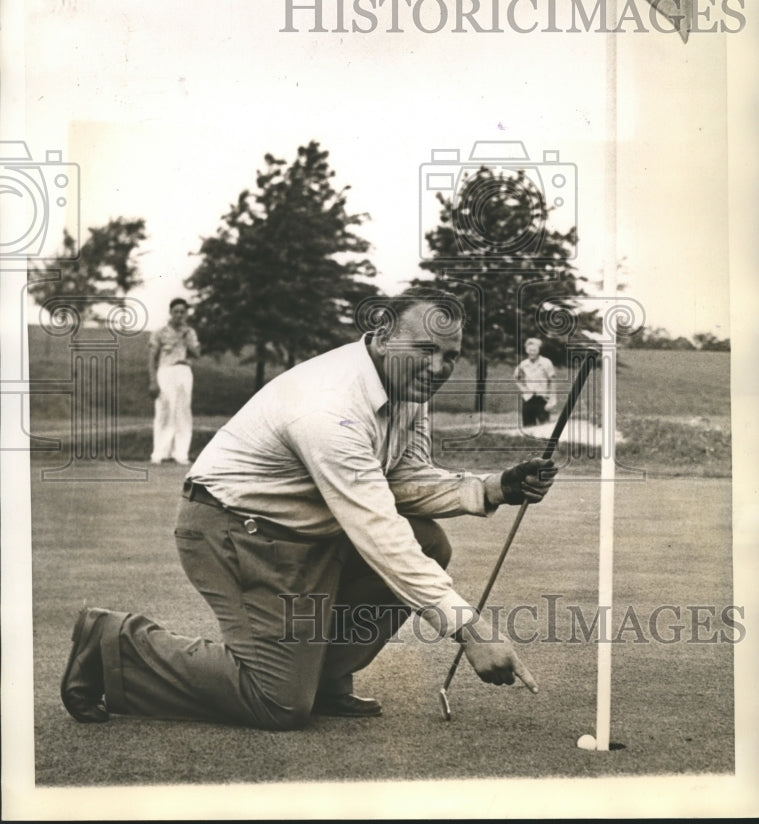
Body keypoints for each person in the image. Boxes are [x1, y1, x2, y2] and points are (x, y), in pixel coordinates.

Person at [62, 288, 557, 731]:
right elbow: (379, 530)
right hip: (234, 531)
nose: (439, 367)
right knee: (276, 704)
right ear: (382, 336)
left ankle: (322, 677)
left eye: (450, 355)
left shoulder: (406, 389)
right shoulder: (330, 408)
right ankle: (113, 642)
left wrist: (493, 488)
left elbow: (401, 479)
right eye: (426, 350)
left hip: (300, 534)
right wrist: (470, 629)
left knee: (428, 541)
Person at [148, 297, 201, 466]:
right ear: (170, 312)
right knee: (164, 410)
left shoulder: (189, 332)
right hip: (166, 371)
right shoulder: (160, 332)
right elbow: (152, 358)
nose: (179, 315)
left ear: (186, 314)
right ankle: (159, 453)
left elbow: (197, 353)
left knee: (183, 412)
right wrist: (152, 381)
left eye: (182, 312)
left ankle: (181, 453)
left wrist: (185, 338)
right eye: (176, 311)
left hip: (183, 371)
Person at [514, 337, 556, 428]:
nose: (532, 352)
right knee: (528, 427)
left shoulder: (546, 363)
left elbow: (552, 381)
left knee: (544, 427)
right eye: (530, 350)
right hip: (528, 399)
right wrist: (523, 389)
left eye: (534, 350)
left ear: (539, 350)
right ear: (526, 350)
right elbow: (516, 378)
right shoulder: (523, 364)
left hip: (542, 398)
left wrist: (553, 399)